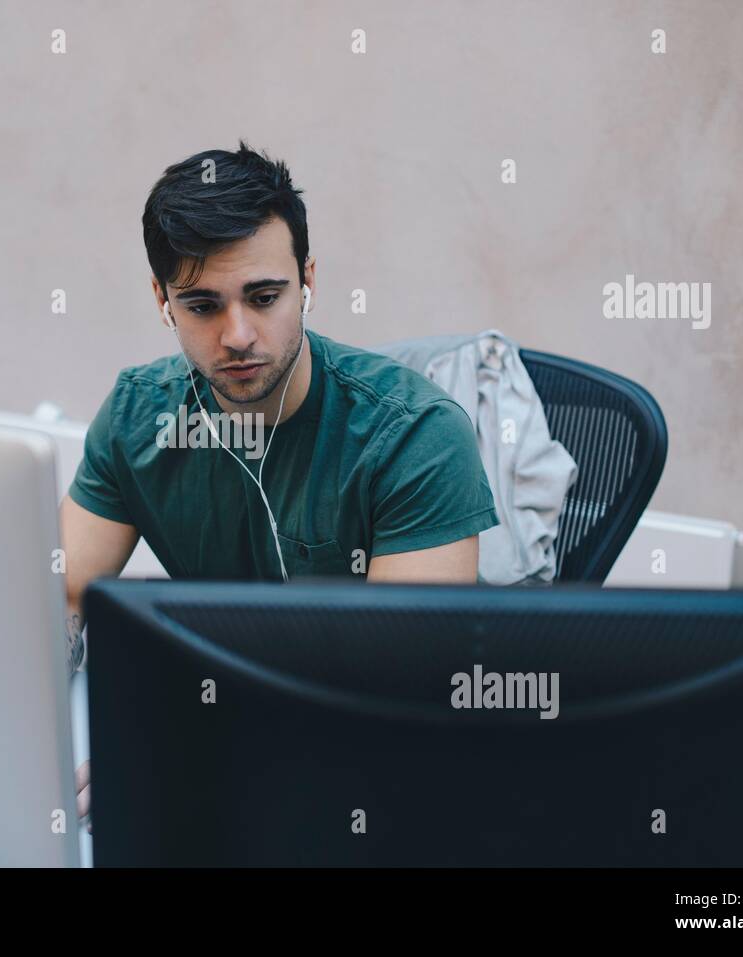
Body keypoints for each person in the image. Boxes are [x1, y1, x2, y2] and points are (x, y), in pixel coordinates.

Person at [63, 141, 500, 831]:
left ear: (308, 281)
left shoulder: (416, 435)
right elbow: (60, 594)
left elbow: (401, 684)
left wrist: (182, 750)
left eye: (264, 297)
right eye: (202, 305)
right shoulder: (136, 418)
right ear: (162, 301)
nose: (238, 335)